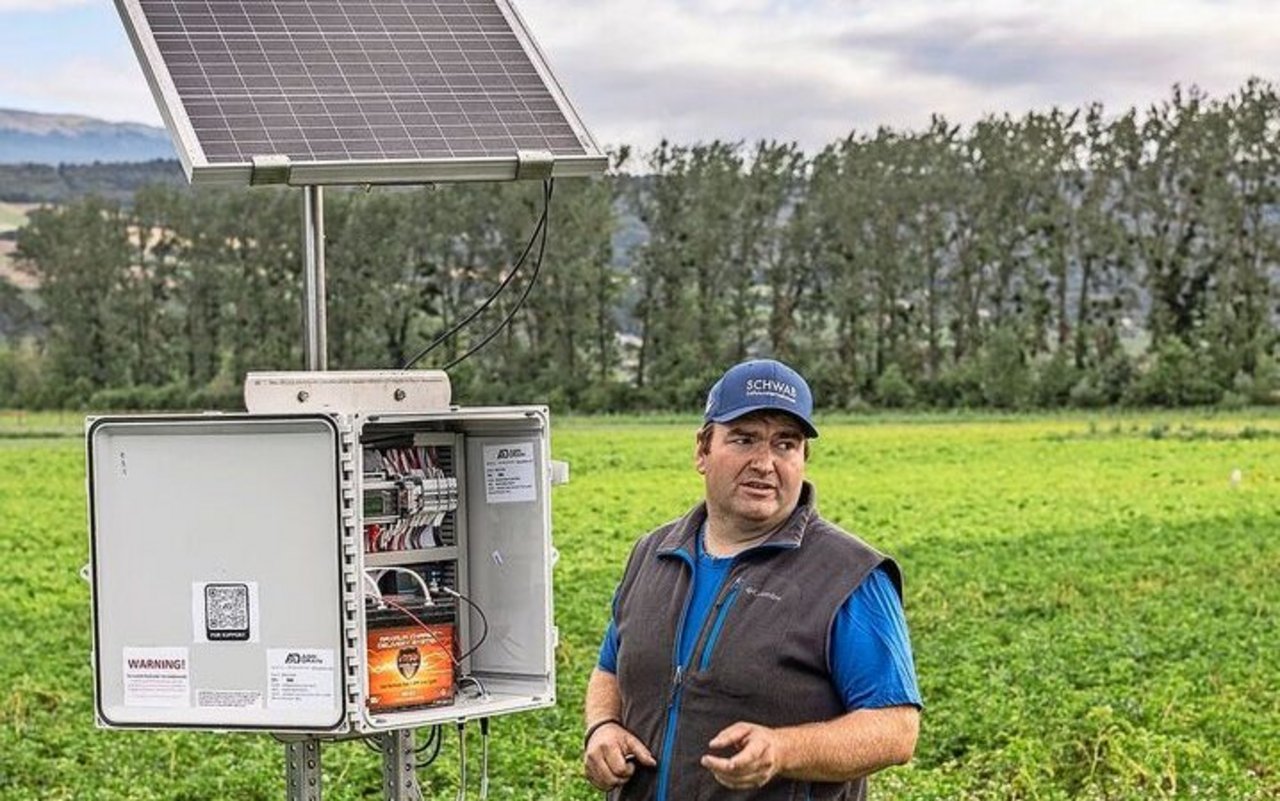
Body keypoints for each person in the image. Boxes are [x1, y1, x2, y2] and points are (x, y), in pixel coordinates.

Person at [583, 359, 921, 801]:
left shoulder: (849, 575)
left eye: (786, 444)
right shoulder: (654, 552)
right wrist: (602, 726)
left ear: (804, 458)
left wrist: (783, 750)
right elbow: (610, 667)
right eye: (744, 439)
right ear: (702, 450)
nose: (765, 463)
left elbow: (895, 728)